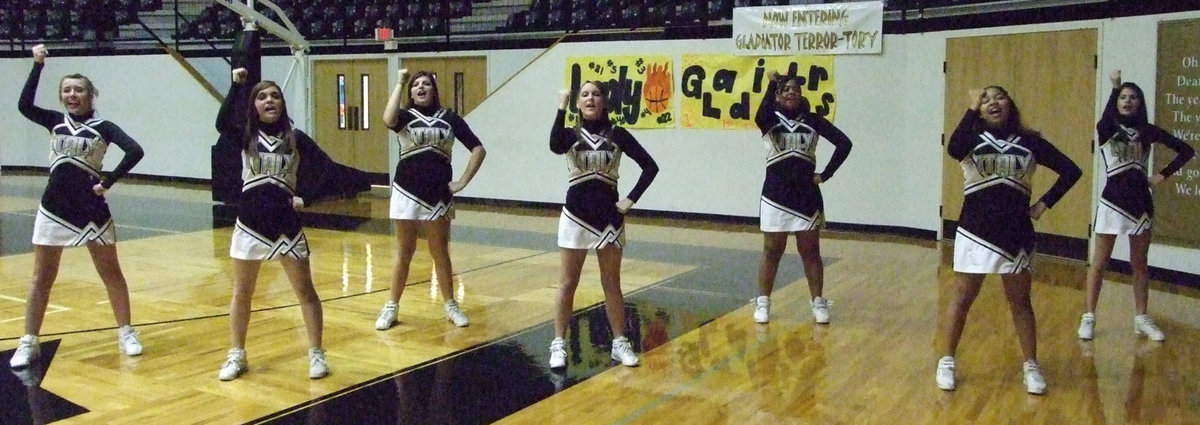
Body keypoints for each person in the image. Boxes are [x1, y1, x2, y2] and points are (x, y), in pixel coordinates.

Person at [937, 86, 1082, 394]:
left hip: (1016, 233)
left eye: (999, 97)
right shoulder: (971, 139)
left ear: (1010, 105)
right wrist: (969, 108)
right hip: (975, 231)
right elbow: (953, 148)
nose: (993, 102)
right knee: (962, 298)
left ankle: (1031, 365)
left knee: (1020, 302)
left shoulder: (1030, 141)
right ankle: (947, 360)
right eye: (986, 98)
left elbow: (1071, 170)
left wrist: (1044, 204)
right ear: (979, 108)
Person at [10, 44, 146, 369]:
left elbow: (135, 151)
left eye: (79, 89)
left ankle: (126, 332)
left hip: (91, 210)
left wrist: (108, 181)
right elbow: (24, 105)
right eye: (67, 90)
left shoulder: (104, 127)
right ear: (62, 97)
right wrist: (37, 65)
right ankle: (29, 341)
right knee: (42, 277)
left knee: (111, 273)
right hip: (53, 207)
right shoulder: (54, 122)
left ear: (90, 95)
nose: (73, 94)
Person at [214, 67, 329, 381]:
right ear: (254, 105)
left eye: (275, 96)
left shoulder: (296, 138)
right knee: (242, 293)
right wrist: (237, 87)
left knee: (305, 290)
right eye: (262, 96)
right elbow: (221, 122)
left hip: (286, 225)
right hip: (249, 223)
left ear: (282, 103)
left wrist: (308, 197)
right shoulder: (245, 136)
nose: (269, 100)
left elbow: (327, 169)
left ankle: (316, 353)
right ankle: (237, 354)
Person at [546, 82, 659, 369]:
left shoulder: (617, 134)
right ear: (578, 103)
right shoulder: (570, 134)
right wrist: (561, 107)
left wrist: (630, 200)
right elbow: (554, 145)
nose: (590, 98)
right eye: (584, 95)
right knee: (567, 283)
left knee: (612, 284)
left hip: (609, 218)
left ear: (604, 102)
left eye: (596, 94)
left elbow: (650, 166)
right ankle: (558, 343)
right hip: (575, 216)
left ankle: (619, 342)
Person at [1078, 70, 1194, 342]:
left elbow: (1186, 150)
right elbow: (1104, 121)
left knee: (1139, 264)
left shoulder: (1148, 130)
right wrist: (1114, 87)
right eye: (1123, 97)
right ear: (1116, 101)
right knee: (1100, 262)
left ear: (1140, 103)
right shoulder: (1108, 129)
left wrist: (1162, 175)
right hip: (1112, 202)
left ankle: (1141, 317)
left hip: (1141, 203)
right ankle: (1089, 316)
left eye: (1133, 97)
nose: (1128, 101)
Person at [374, 69, 487, 330]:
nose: (421, 87)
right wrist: (400, 83)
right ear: (411, 92)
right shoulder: (403, 116)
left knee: (440, 252)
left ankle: (450, 305)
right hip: (406, 191)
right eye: (416, 85)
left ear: (434, 90)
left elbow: (478, 149)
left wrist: (462, 182)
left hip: (439, 195)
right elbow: (387, 119)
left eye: (426, 84)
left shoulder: (449, 117)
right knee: (405, 251)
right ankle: (391, 306)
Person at [751, 71, 852, 325]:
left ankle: (818, 302)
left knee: (810, 251)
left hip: (806, 198)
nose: (791, 92)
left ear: (802, 94)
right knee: (772, 250)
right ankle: (763, 302)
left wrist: (826, 175)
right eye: (785, 89)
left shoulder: (813, 120)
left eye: (795, 89)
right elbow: (759, 115)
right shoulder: (770, 120)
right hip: (775, 196)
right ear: (777, 94)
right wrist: (772, 83)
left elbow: (844, 143)